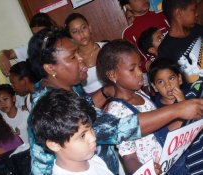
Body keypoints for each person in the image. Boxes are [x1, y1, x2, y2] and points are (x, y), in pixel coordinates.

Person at [27, 27, 203, 175]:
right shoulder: (50, 105)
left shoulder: (68, 86)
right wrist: (178, 110)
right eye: (73, 57)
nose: (82, 60)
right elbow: (117, 128)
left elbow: (87, 105)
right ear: (50, 68)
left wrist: (107, 90)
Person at [96, 39, 162, 174]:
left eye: (139, 66)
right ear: (113, 75)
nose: (140, 72)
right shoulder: (117, 111)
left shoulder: (140, 93)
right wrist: (144, 170)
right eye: (132, 69)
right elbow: (129, 158)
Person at [31, 89, 113, 175]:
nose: (93, 137)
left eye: (91, 128)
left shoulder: (94, 160)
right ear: (55, 145)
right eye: (82, 136)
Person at [158, 0, 203, 84]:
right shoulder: (165, 49)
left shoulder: (198, 30)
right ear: (179, 13)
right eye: (193, 10)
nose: (197, 14)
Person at [64, 13, 105, 95]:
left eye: (83, 27)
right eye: (75, 31)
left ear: (90, 28)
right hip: (91, 102)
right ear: (70, 37)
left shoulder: (106, 48)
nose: (81, 33)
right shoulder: (73, 60)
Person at [0, 84, 30, 174]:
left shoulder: (25, 112)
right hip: (16, 157)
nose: (2, 104)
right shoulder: (2, 120)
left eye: (5, 99)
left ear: (13, 98)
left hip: (29, 151)